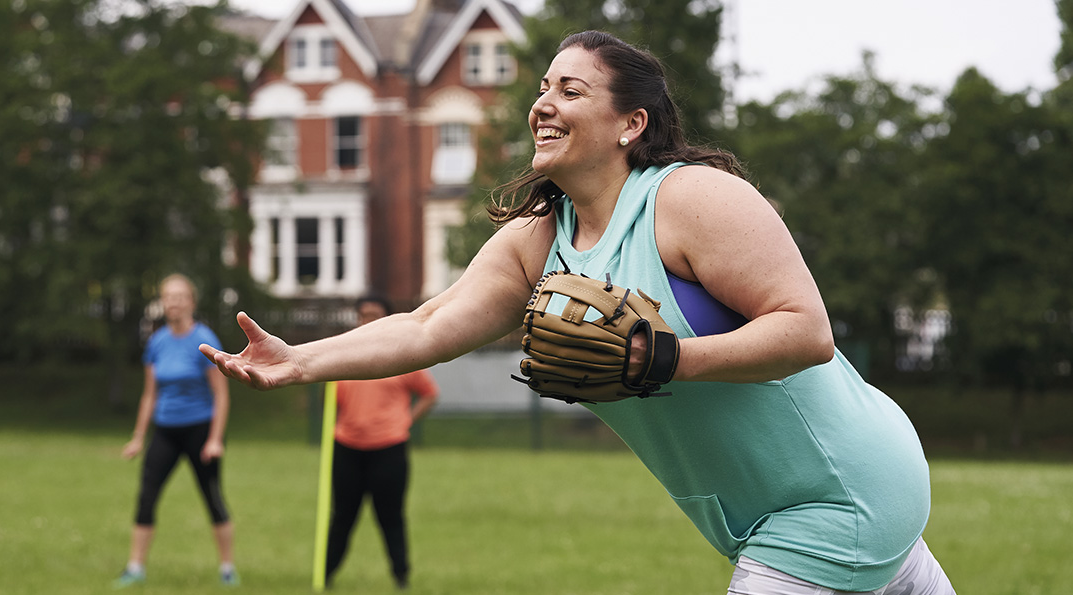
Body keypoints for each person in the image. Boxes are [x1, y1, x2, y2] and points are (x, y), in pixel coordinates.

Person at [200, 31, 955, 595]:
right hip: (766, 513)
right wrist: (302, 359)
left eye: (569, 89)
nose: (541, 104)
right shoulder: (537, 242)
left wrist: (669, 358)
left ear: (631, 123)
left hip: (839, 491)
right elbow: (427, 327)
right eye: (541, 87)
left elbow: (807, 332)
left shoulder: (689, 198)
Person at [116, 273, 239, 588]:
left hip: (200, 431)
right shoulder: (156, 342)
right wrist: (138, 438)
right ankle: (135, 567)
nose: (174, 302)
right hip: (165, 431)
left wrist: (214, 439)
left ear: (191, 302)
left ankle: (227, 568)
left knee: (212, 498)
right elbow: (149, 395)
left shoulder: (205, 339)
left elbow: (221, 395)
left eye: (180, 296)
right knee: (146, 497)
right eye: (168, 296)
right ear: (162, 302)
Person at [324, 295, 439, 590]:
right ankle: (325, 574)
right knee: (342, 517)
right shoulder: (343, 355)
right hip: (347, 449)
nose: (368, 320)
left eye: (375, 314)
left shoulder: (401, 357)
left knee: (390, 517)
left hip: (389, 448)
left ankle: (401, 576)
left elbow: (429, 393)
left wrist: (407, 421)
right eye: (363, 315)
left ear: (388, 318)